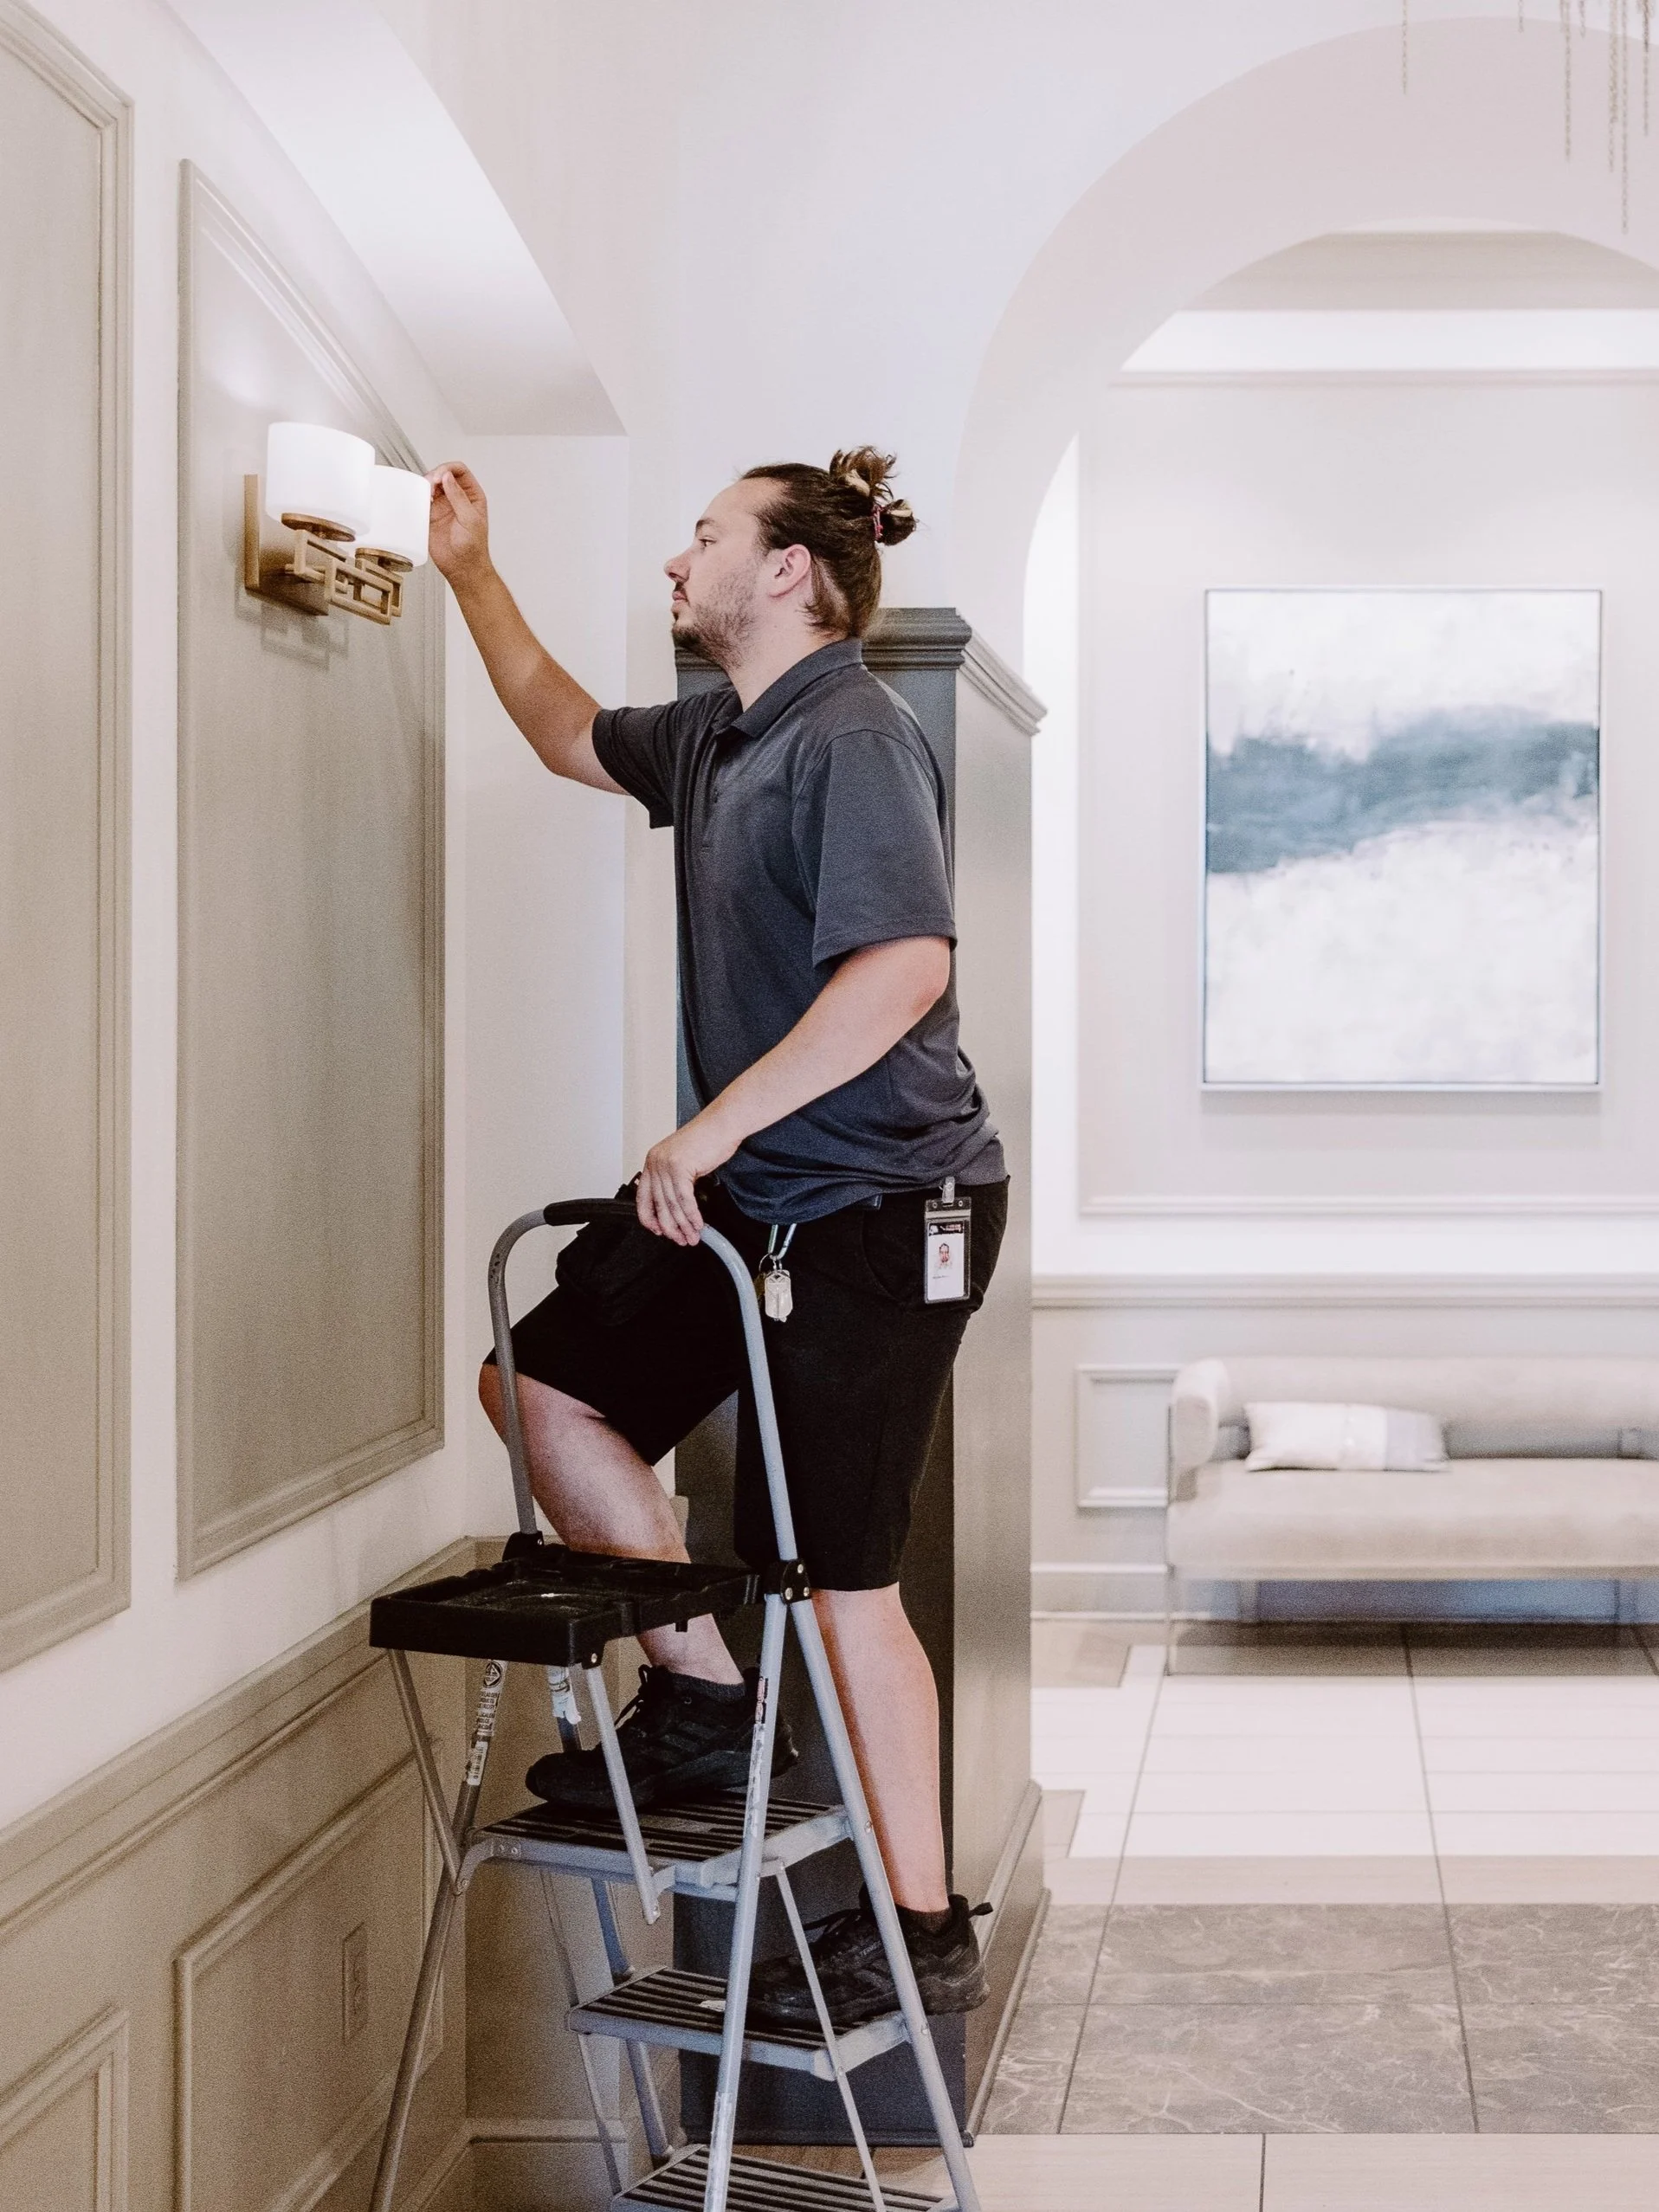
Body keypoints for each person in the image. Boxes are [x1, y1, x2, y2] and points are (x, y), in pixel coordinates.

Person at [428, 447, 1007, 2032]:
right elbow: (559, 728)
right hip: (757, 1191)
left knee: (839, 1574)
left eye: (704, 537)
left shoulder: (857, 734)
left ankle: (922, 1922)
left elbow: (898, 973)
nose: (674, 563)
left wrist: (707, 1128)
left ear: (791, 572)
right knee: (537, 1385)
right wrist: (471, 571)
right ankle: (698, 1687)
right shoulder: (720, 735)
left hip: (893, 1207)